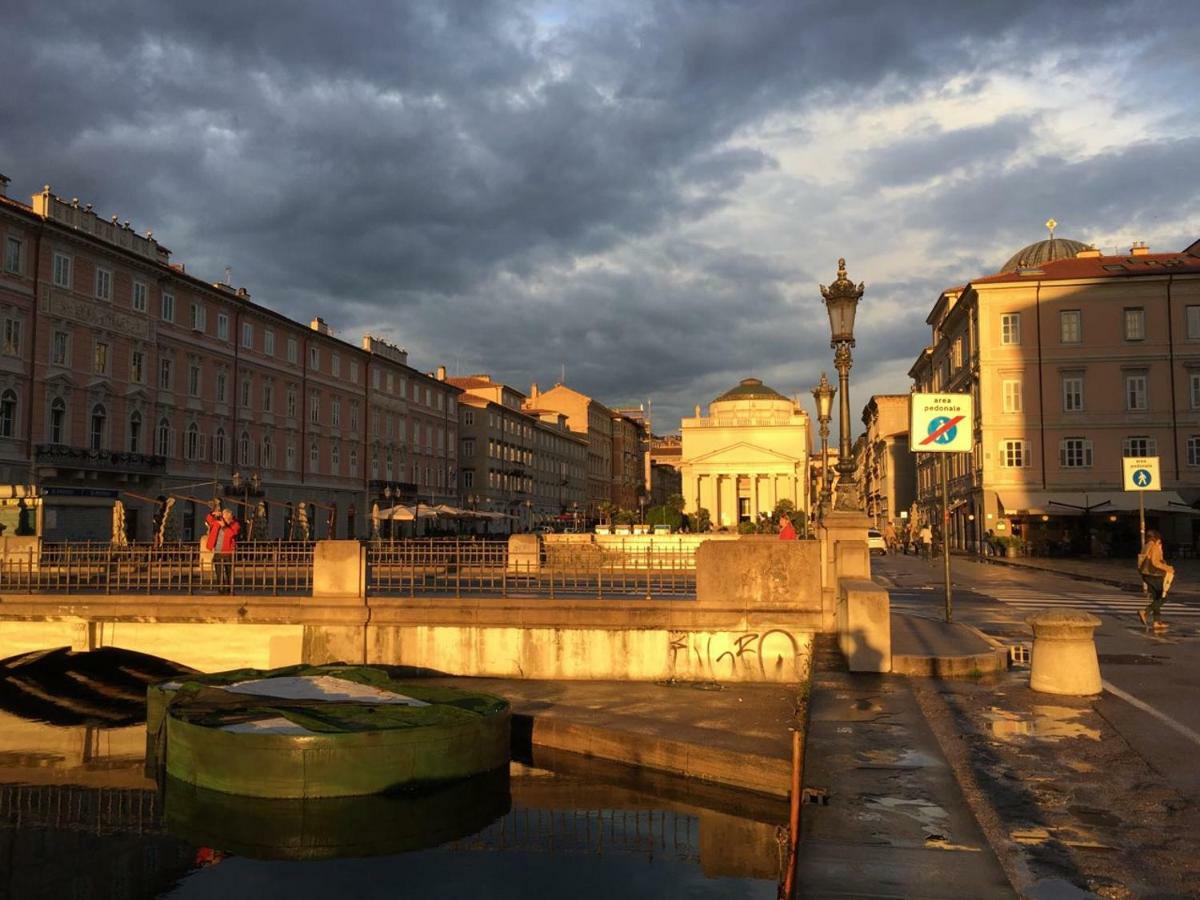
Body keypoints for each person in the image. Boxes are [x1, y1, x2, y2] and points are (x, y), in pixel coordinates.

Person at [1137, 530, 1174, 629]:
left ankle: (1157, 621)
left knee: (1156, 598)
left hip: (1146, 574)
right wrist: (1168, 568)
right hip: (1154, 575)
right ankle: (1145, 611)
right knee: (1163, 597)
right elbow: (1155, 562)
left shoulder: (1146, 546)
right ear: (1157, 538)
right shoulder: (1154, 547)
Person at [205, 506, 241, 593]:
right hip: (218, 551)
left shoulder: (235, 524)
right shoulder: (217, 523)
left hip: (228, 552)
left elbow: (231, 534)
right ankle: (221, 589)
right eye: (223, 516)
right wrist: (212, 513)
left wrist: (224, 526)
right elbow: (209, 520)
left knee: (229, 572)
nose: (223, 518)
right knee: (219, 573)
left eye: (225, 517)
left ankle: (230, 589)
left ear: (230, 517)